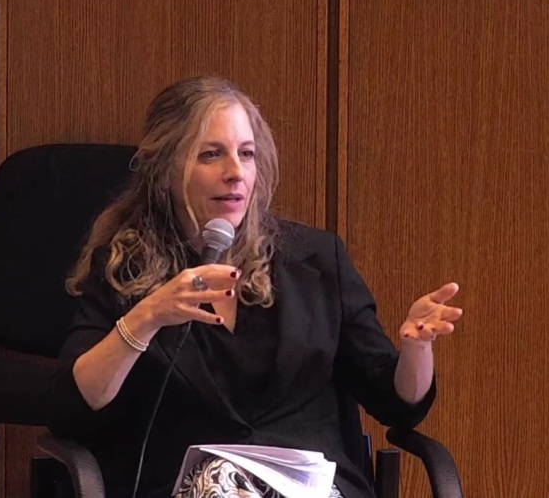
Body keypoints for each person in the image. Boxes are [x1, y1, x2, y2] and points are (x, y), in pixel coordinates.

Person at [46, 76, 463, 498]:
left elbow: (396, 404)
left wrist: (416, 348)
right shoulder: (125, 269)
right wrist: (148, 317)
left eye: (246, 154)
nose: (234, 172)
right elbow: (72, 409)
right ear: (166, 169)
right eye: (211, 154)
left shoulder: (315, 260)